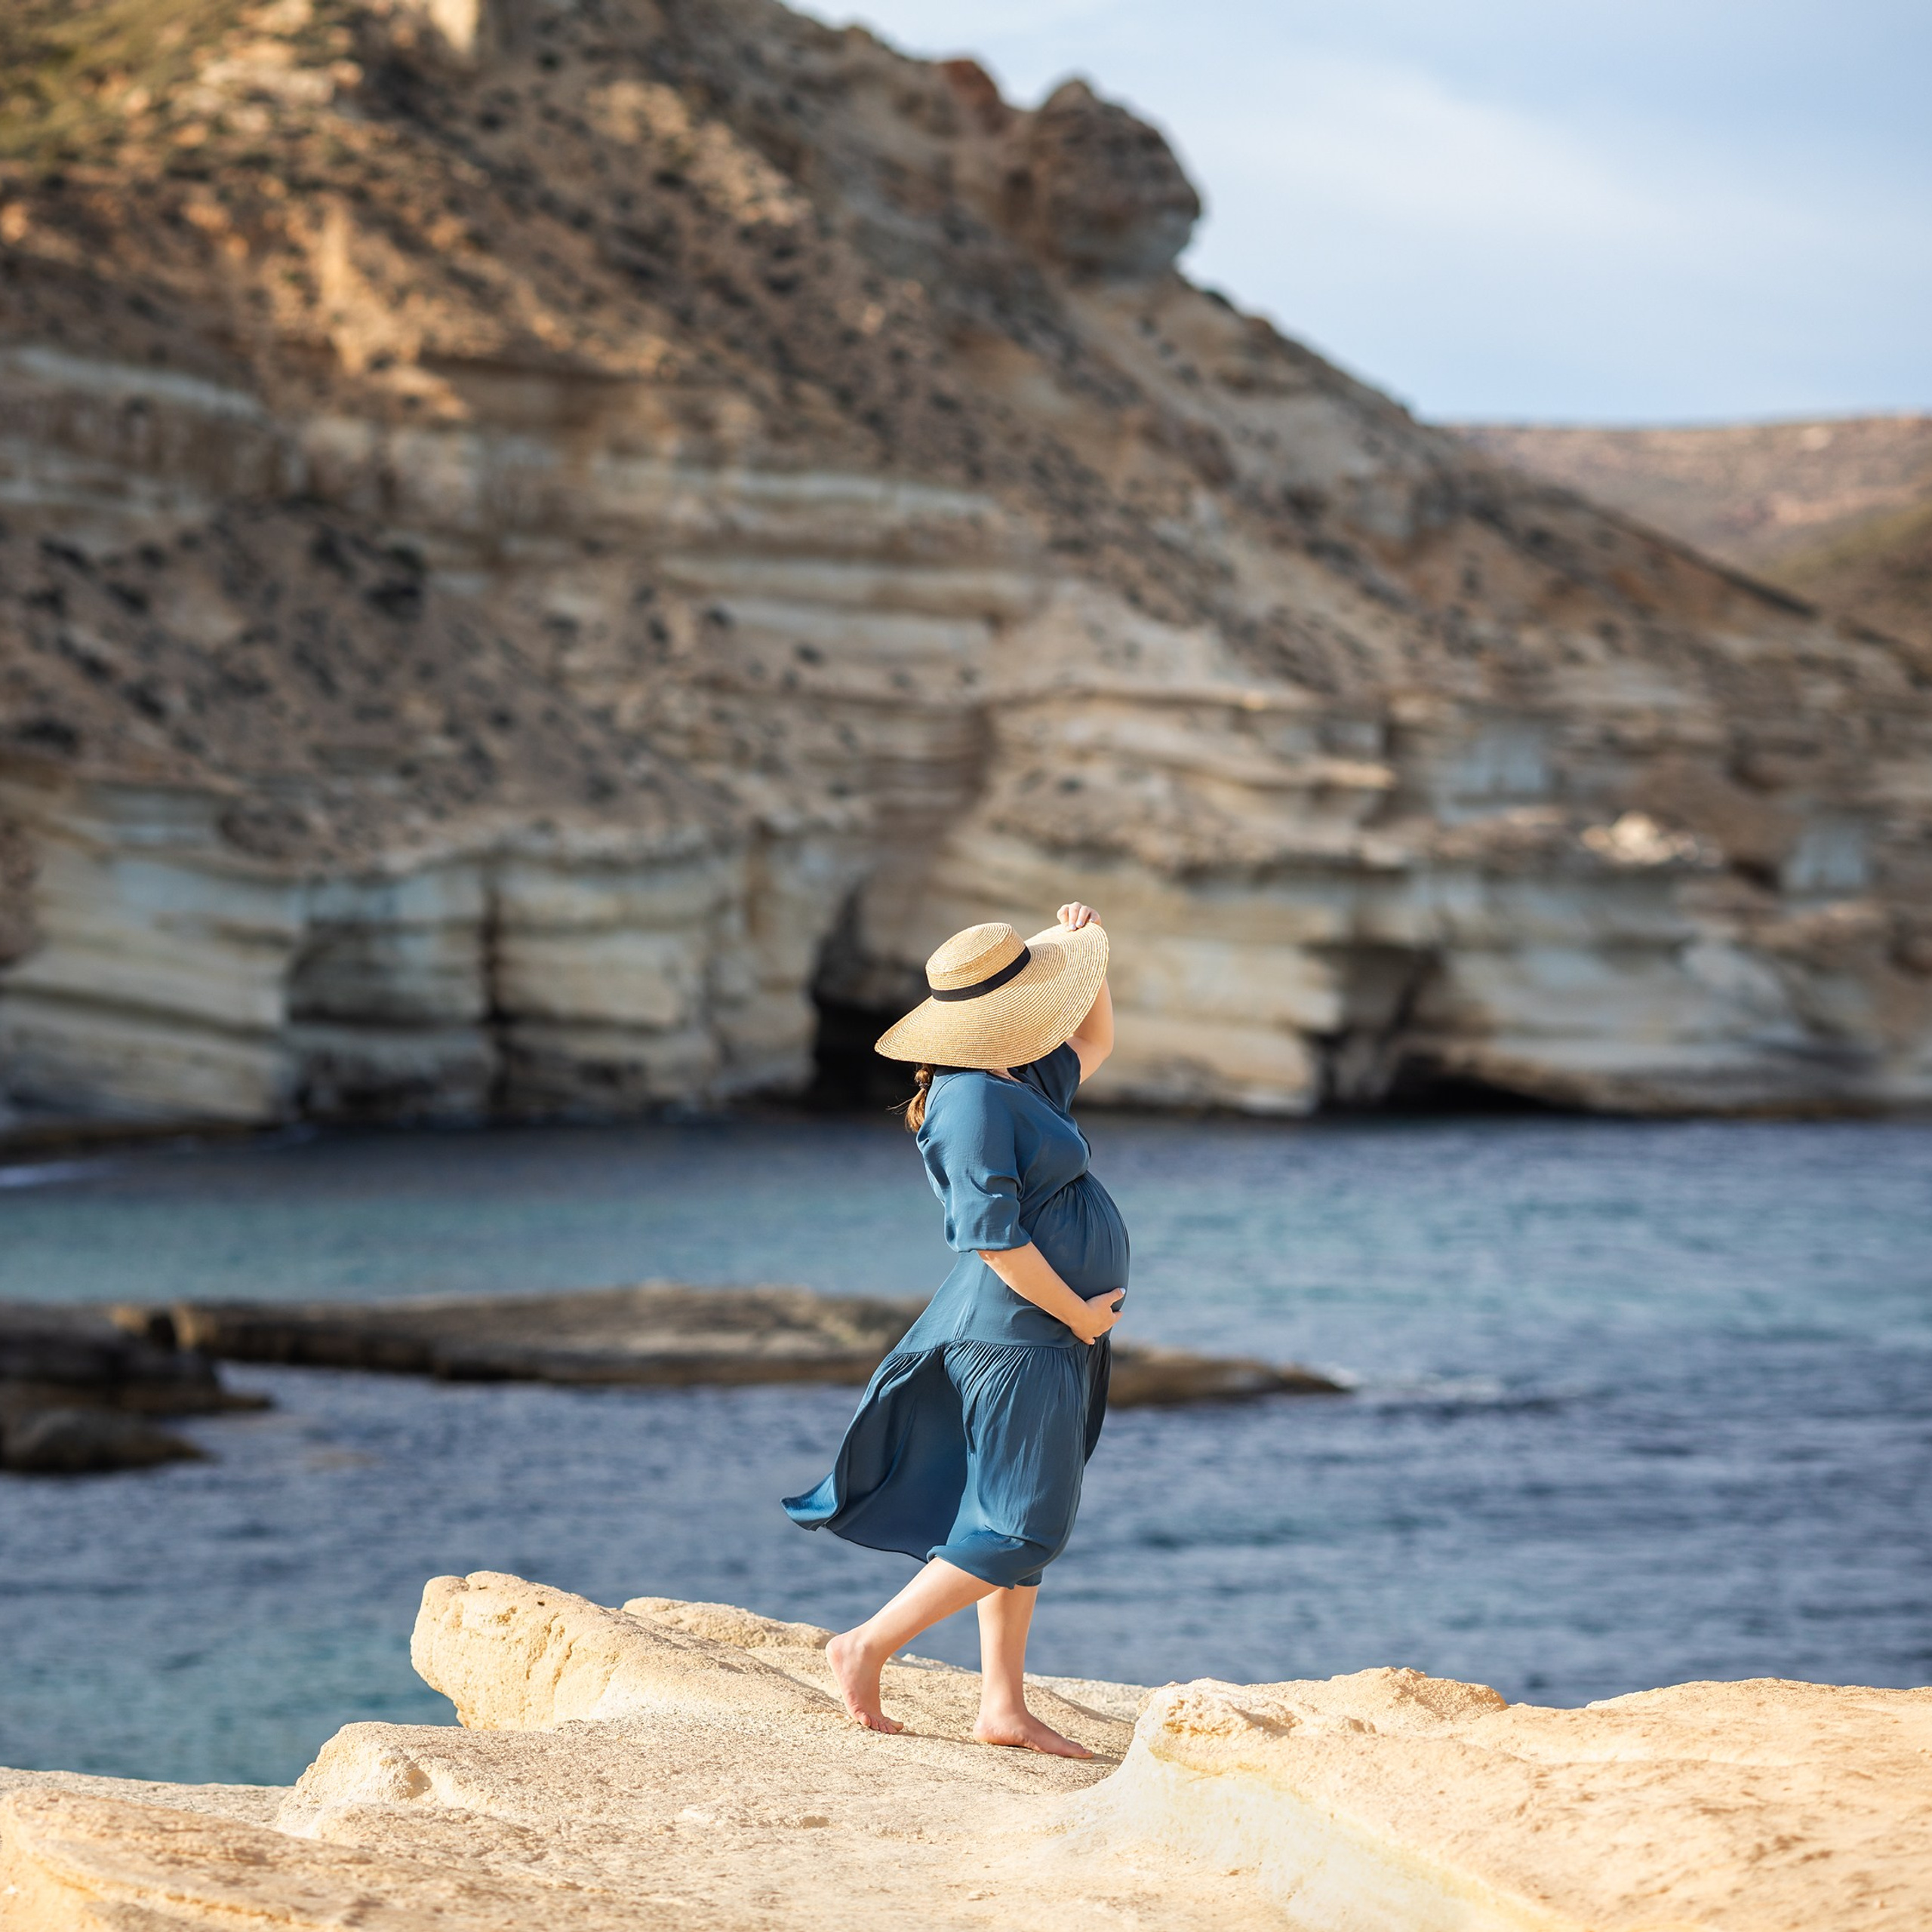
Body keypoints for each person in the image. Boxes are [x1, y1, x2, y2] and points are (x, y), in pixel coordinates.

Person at [783, 901, 1125, 1758]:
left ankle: (1001, 1708)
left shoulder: (1016, 1074)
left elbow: (1095, 1045)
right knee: (1020, 1526)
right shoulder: (971, 1101)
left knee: (1006, 1515)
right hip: (1018, 1332)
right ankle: (862, 1646)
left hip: (1040, 1332)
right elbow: (990, 1235)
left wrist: (1089, 958)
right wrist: (1077, 1311)